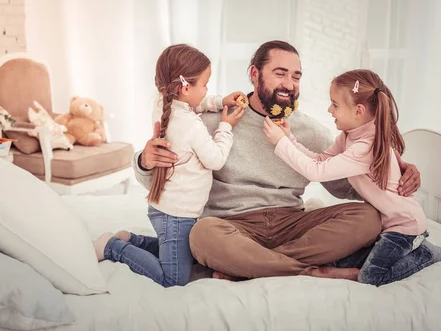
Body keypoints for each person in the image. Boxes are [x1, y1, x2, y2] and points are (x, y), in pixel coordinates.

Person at [134, 40, 422, 281]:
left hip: (292, 225)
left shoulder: (310, 131)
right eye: (280, 73)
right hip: (234, 227)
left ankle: (249, 266)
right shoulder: (214, 123)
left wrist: (392, 171)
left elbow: (348, 185)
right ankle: (305, 271)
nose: (289, 84)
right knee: (202, 235)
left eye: (296, 77)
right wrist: (145, 161)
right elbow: (161, 181)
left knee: (368, 218)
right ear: (255, 74)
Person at [263, 69, 441, 285]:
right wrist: (288, 137)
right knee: (340, 260)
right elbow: (320, 161)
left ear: (358, 111)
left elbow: (315, 172)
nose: (329, 109)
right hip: (383, 225)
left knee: (370, 276)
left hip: (403, 227)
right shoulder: (350, 136)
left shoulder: (365, 147)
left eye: (335, 105)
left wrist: (281, 143)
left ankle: (425, 254)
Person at [93, 44, 246, 287]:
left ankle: (132, 241)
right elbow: (215, 159)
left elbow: (196, 102)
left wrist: (219, 101)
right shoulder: (190, 125)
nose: (207, 90)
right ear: (185, 87)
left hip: (167, 209)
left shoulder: (165, 104)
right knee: (173, 278)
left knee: (178, 253)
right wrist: (226, 126)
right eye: (205, 84)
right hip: (177, 215)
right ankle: (113, 247)